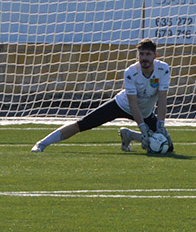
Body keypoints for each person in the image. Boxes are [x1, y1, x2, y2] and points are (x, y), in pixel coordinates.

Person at [32, 39, 170, 153]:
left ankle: (129, 135)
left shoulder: (163, 69)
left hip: (145, 112)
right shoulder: (131, 72)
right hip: (121, 105)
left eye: (148, 54)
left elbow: (162, 99)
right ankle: (41, 144)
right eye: (141, 54)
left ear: (155, 56)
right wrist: (143, 127)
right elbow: (133, 104)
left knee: (167, 148)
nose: (144, 58)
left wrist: (161, 125)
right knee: (83, 124)